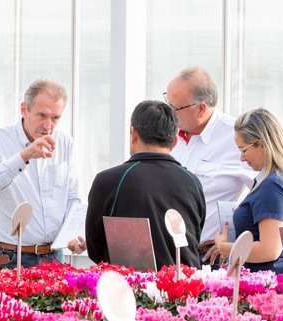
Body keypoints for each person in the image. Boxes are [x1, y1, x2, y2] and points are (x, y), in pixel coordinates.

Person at [84, 100, 206, 269]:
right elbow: (195, 234)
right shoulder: (192, 182)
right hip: (184, 282)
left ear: (133, 133)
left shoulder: (109, 180)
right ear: (174, 142)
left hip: (131, 282)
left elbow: (95, 247)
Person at [0, 79, 81, 269]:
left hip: (54, 256)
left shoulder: (65, 143)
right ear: (24, 109)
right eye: (42, 115)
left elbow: (72, 198)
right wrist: (24, 156)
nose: (48, 126)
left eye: (55, 118)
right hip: (8, 257)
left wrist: (73, 234)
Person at [165, 67, 255, 265]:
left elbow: (265, 193)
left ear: (201, 109)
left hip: (206, 258)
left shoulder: (236, 137)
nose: (168, 113)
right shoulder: (168, 133)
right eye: (167, 103)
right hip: (167, 253)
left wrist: (234, 237)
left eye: (175, 108)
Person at [207, 108, 283, 274]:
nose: (242, 158)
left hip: (265, 282)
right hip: (280, 277)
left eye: (243, 150)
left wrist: (223, 246)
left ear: (261, 144)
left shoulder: (273, 186)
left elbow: (269, 250)